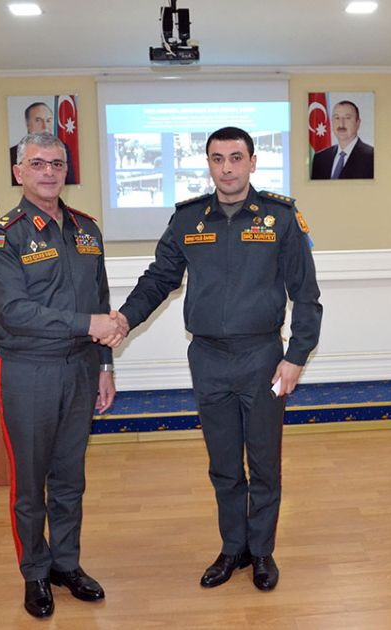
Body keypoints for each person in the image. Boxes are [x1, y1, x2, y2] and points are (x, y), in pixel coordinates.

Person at [115, 126, 322, 592]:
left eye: (236, 157)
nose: (226, 168)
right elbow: (159, 279)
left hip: (263, 358)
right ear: (207, 164)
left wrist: (295, 357)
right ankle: (234, 548)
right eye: (217, 158)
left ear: (252, 162)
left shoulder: (280, 218)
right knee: (224, 463)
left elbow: (306, 295)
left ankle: (262, 551)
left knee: (264, 462)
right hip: (208, 359)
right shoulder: (189, 219)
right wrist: (125, 319)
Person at [0, 132, 124, 618]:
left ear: (67, 170)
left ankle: (66, 564)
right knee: (29, 483)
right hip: (27, 370)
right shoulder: (3, 235)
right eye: (38, 163)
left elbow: (100, 298)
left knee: (70, 478)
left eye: (57, 164)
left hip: (81, 368)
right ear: (19, 172)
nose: (48, 172)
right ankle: (35, 574)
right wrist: (88, 325)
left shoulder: (87, 229)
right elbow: (15, 310)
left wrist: (104, 366)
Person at [10, 102, 77, 184]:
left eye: (57, 164)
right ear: (27, 124)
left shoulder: (63, 149)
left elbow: (70, 181)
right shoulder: (13, 153)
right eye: (36, 164)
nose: (45, 126)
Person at [310, 100, 374, 179]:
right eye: (337, 118)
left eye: (347, 118)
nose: (341, 124)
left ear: (358, 123)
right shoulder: (320, 158)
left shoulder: (372, 157)